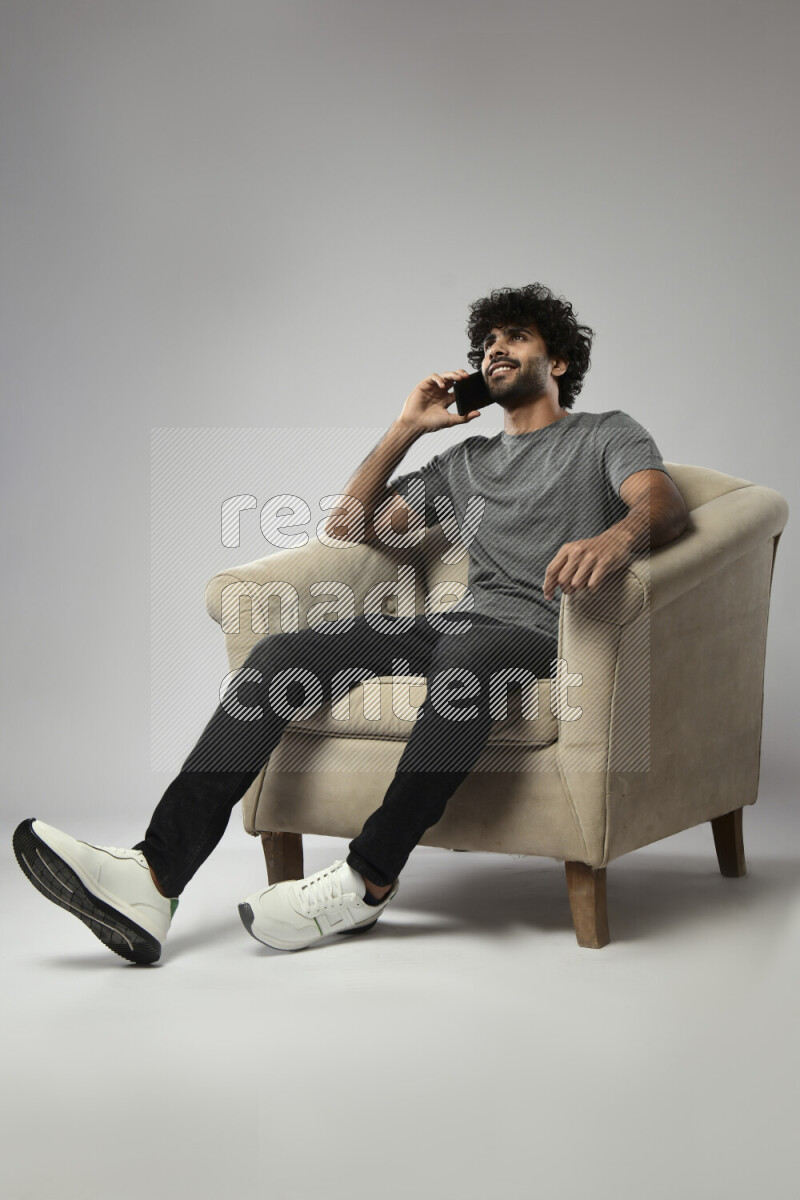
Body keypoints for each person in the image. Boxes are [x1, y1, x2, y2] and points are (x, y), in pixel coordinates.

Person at [12, 283, 689, 965]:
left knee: (470, 661)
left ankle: (368, 879)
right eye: (487, 344)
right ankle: (152, 878)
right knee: (281, 654)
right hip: (458, 624)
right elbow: (351, 526)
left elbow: (665, 507)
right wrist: (406, 428)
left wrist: (617, 538)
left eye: (515, 337)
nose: (495, 351)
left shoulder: (604, 434)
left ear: (560, 363)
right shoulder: (466, 463)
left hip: (542, 629)